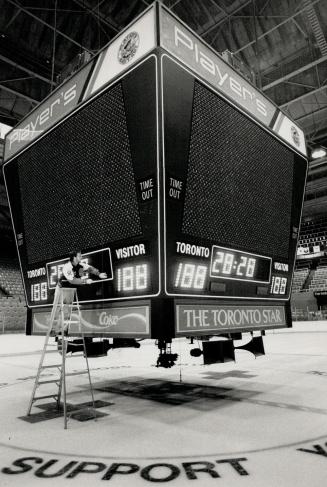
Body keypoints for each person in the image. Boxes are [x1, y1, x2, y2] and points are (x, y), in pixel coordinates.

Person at [54, 250, 107, 337]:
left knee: (68, 309)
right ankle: (56, 330)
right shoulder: (67, 267)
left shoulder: (81, 265)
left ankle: (64, 329)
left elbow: (90, 268)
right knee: (61, 308)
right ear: (74, 257)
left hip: (70, 289)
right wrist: (85, 281)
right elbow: (72, 280)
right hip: (61, 288)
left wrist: (99, 274)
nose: (81, 257)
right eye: (79, 256)